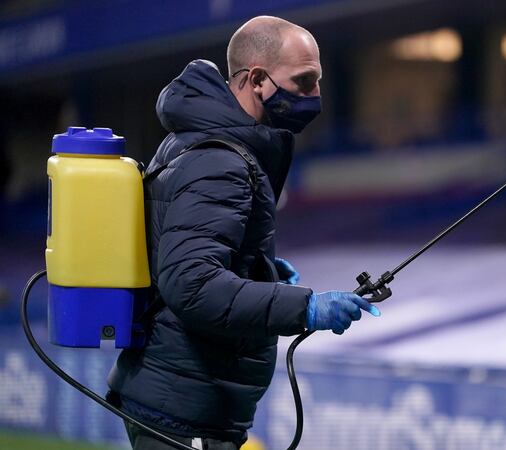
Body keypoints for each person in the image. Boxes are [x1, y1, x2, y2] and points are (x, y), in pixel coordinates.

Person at [106, 16, 380, 450]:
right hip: (185, 412)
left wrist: (258, 270)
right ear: (255, 80)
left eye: (317, 82)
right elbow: (193, 286)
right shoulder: (221, 161)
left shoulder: (197, 140)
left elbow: (187, 251)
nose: (315, 97)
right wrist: (305, 307)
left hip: (182, 402)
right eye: (304, 81)